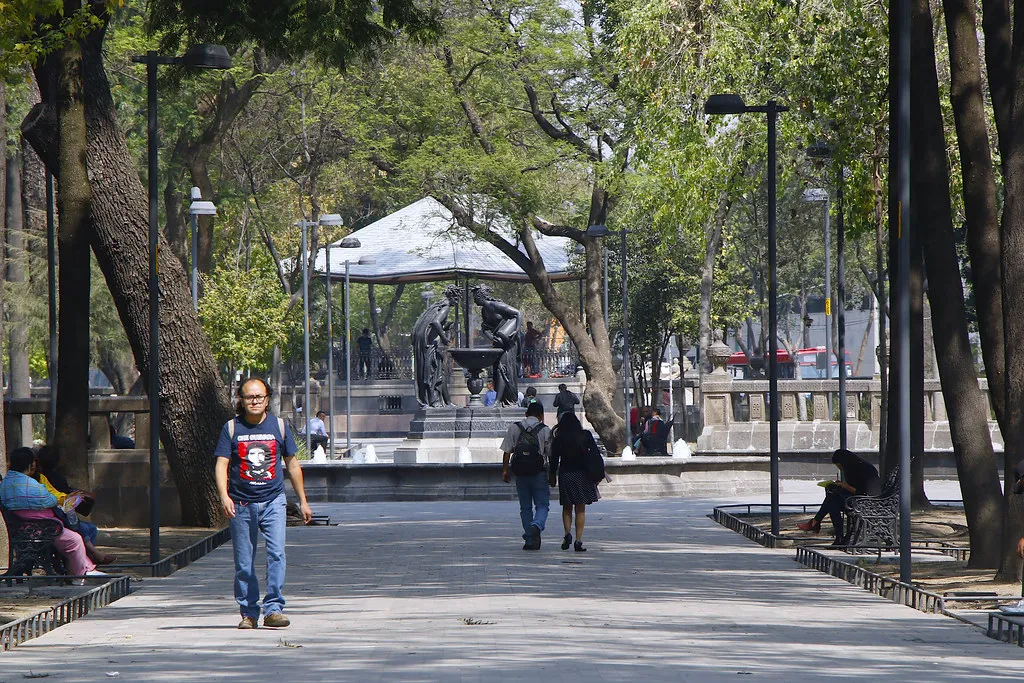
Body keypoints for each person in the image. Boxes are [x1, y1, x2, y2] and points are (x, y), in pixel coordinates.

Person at [215, 377, 313, 629]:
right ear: (242, 400)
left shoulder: (278, 426)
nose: (255, 401)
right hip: (242, 504)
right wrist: (224, 496)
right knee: (244, 562)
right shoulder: (232, 428)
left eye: (259, 396)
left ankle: (273, 609)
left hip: (273, 502)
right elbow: (222, 464)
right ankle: (248, 613)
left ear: (267, 399)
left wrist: (303, 501)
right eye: (249, 397)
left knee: (277, 554)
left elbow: (292, 464)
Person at [0, 447, 102, 581]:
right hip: (43, 529)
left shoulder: (6, 483)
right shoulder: (32, 485)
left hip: (22, 528)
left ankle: (83, 569)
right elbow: (51, 500)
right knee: (74, 540)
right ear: (32, 465)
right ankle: (79, 575)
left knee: (76, 533)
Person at [797, 448, 880, 545]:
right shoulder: (858, 467)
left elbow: (862, 492)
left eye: (839, 465)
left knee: (832, 499)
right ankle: (829, 531)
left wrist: (844, 486)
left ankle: (820, 525)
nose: (840, 468)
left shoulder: (863, 469)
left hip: (865, 503)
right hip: (860, 500)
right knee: (832, 500)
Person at [500, 401, 553, 550]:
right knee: (542, 504)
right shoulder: (545, 430)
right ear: (541, 416)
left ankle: (530, 539)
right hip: (539, 473)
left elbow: (507, 451)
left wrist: (505, 470)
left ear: (526, 414)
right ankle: (537, 524)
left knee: (525, 507)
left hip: (520, 473)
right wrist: (552, 473)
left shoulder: (515, 428)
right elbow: (551, 454)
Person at [549, 413, 600, 552]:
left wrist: (552, 475)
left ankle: (567, 534)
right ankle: (578, 540)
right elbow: (595, 453)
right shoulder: (585, 435)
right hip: (582, 474)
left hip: (566, 474)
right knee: (580, 508)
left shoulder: (559, 439)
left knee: (567, 507)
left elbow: (554, 459)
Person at [472, 285, 522, 406]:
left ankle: (498, 401)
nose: (473, 300)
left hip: (509, 342)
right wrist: (491, 337)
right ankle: (501, 400)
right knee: (497, 370)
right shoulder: (484, 311)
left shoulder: (495, 305)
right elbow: (485, 328)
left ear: (480, 296)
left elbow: (518, 314)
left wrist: (516, 331)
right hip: (498, 342)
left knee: (502, 369)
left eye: (474, 297)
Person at [412, 285, 460, 407]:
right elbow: (436, 322)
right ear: (453, 297)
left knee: (440, 375)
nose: (457, 301)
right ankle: (435, 402)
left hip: (428, 345)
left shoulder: (436, 306)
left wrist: (444, 328)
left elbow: (433, 324)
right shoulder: (445, 308)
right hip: (432, 347)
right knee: (435, 375)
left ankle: (446, 402)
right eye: (457, 298)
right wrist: (444, 338)